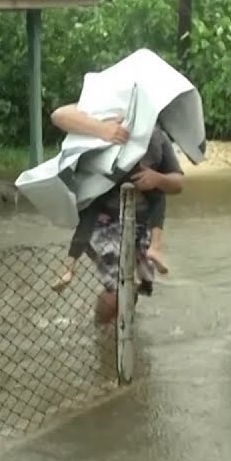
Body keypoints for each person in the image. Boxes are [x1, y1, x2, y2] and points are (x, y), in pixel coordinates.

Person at [48, 104, 185, 324]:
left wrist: (156, 178)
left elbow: (178, 183)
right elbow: (59, 115)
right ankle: (102, 333)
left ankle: (121, 338)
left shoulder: (157, 137)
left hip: (140, 222)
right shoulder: (102, 113)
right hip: (103, 221)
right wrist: (102, 129)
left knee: (130, 287)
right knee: (116, 292)